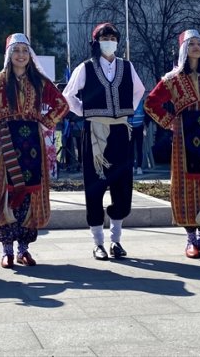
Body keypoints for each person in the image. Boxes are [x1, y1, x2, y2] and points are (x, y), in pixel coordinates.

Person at [0, 33, 69, 268]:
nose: (21, 55)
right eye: (16, 51)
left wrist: (44, 121)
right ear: (9, 55)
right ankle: (6, 249)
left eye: (24, 50)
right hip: (5, 139)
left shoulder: (40, 81)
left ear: (29, 54)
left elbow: (63, 104)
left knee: (30, 194)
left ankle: (24, 248)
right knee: (5, 191)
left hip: (32, 141)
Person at [144, 30, 200, 259]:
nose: (196, 47)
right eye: (191, 43)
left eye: (199, 43)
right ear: (184, 49)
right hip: (185, 138)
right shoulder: (172, 79)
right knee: (188, 188)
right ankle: (191, 241)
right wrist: (170, 123)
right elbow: (151, 103)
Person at [63, 23, 146, 261]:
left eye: (112, 37)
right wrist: (86, 112)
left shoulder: (126, 67)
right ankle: (98, 242)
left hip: (120, 130)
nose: (109, 41)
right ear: (96, 42)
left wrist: (123, 110)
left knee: (122, 187)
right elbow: (68, 96)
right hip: (95, 132)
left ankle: (116, 240)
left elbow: (139, 91)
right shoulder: (86, 68)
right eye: (104, 37)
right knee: (95, 186)